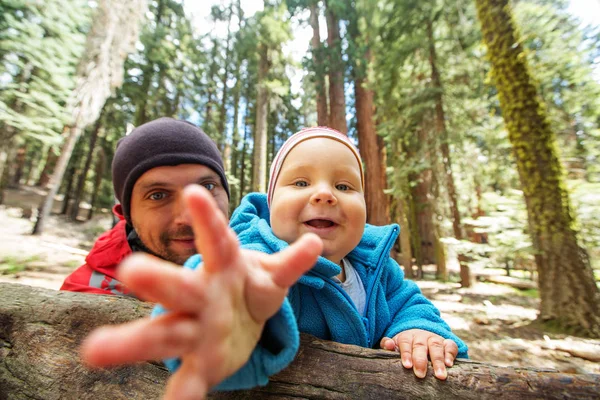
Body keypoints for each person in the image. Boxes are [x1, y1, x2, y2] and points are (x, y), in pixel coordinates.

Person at [82, 127, 468, 399]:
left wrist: (418, 330)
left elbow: (409, 303)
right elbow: (232, 279)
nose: (324, 194)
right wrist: (229, 318)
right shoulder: (259, 255)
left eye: (345, 186)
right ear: (269, 205)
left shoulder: (376, 265)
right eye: (300, 183)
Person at [60, 117, 231, 296]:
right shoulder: (85, 295)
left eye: (207, 187)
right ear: (127, 215)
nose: (189, 218)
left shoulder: (258, 254)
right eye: (158, 195)